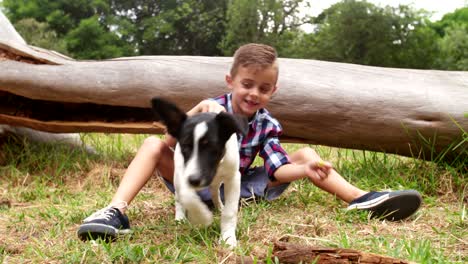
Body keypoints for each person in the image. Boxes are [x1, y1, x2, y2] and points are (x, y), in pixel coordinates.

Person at [77, 43, 422, 240]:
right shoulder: (210, 109)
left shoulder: (266, 123)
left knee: (306, 155)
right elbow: (170, 141)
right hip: (195, 182)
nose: (253, 93)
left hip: (238, 185)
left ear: (274, 91)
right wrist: (195, 109)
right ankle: (115, 211)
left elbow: (277, 168)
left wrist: (304, 170)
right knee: (153, 145)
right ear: (230, 81)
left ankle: (361, 198)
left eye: (263, 88)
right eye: (247, 84)